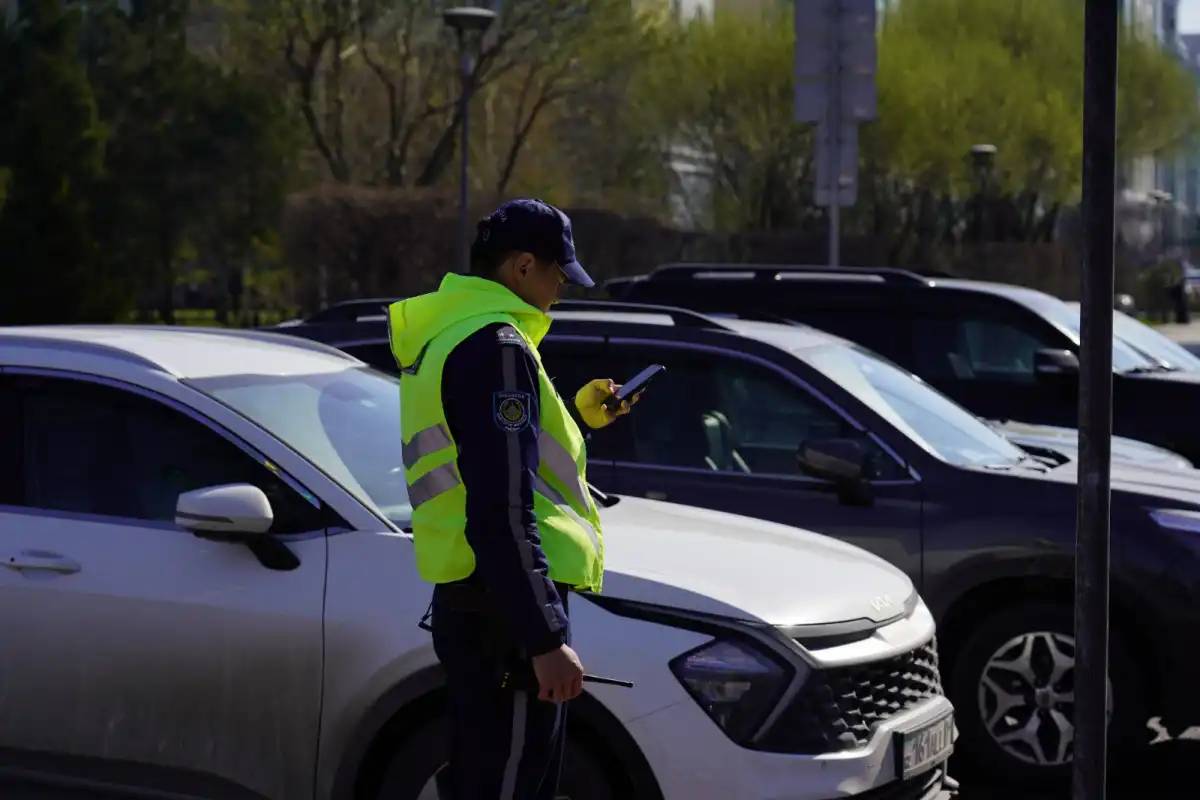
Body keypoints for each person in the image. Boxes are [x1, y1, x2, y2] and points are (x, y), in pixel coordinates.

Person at [387, 198, 633, 799]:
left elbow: (488, 457)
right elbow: (501, 509)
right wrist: (545, 638)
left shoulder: (451, 335)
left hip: (478, 600)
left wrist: (577, 415)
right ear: (523, 267)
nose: (561, 289)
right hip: (506, 615)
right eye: (558, 273)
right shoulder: (498, 347)